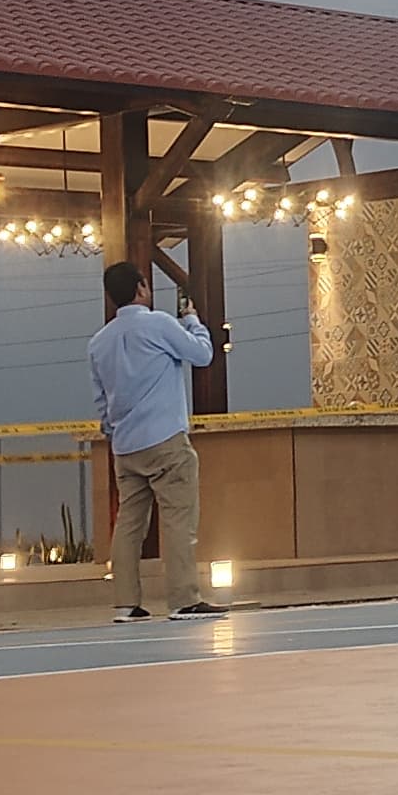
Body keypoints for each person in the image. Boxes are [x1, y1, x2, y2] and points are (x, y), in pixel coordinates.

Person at [87, 260, 220, 621]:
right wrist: (192, 320)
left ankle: (125, 603)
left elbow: (101, 399)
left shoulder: (99, 343)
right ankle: (183, 599)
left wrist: (114, 430)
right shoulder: (159, 323)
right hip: (166, 440)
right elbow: (202, 354)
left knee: (129, 523)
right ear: (142, 287)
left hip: (126, 447)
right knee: (178, 518)